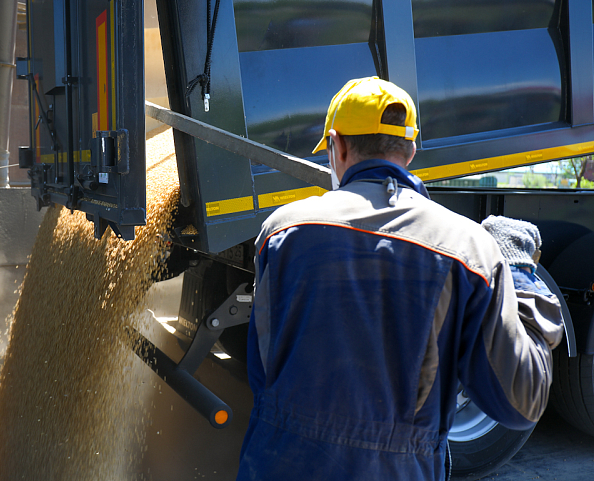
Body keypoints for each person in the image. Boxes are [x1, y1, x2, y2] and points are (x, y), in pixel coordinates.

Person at [236, 76, 564, 480]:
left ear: (337, 146)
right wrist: (519, 272)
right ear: (409, 150)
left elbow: (262, 368)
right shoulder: (468, 249)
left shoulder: (281, 230)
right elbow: (520, 402)